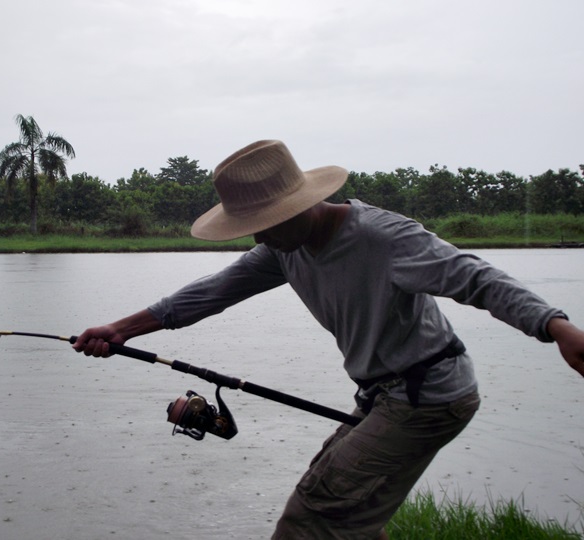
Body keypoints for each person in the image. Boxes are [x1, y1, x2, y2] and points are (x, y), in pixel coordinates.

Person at [73, 140, 584, 539]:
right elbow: (209, 293)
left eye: (267, 223)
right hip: (384, 396)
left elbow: (477, 277)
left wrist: (555, 327)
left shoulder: (385, 238)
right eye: (251, 227)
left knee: (314, 512)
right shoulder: (282, 248)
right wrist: (120, 330)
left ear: (305, 203)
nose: (260, 236)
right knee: (349, 512)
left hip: (427, 396)